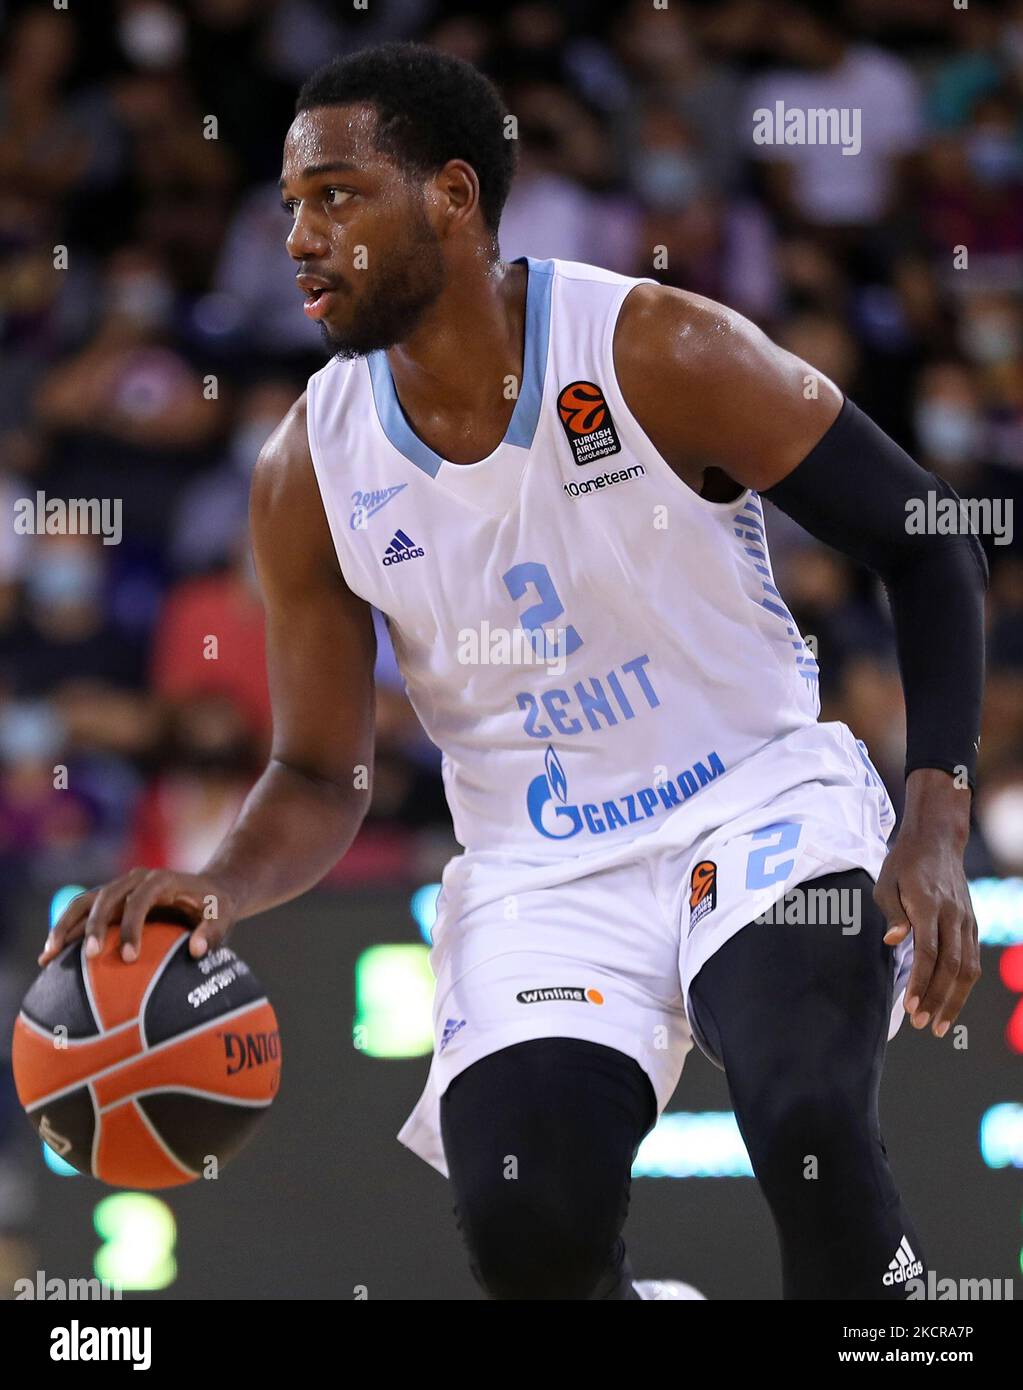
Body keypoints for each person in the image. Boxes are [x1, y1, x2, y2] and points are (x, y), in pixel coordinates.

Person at [43, 43, 986, 1301]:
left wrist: (932, 818)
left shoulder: (657, 348)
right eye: (289, 208)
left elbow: (931, 542)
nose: (299, 238)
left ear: (451, 195)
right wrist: (215, 886)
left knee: (807, 1112)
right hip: (544, 874)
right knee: (528, 1225)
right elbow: (321, 772)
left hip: (758, 803)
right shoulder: (307, 469)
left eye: (335, 196)